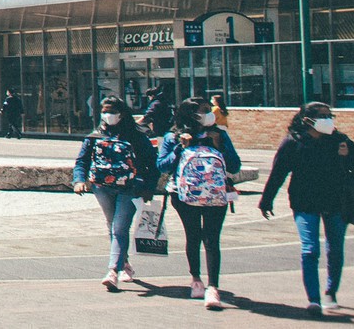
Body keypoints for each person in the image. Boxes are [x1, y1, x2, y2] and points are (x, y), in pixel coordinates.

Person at [259, 101, 354, 315]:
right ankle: (314, 299)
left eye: (330, 115)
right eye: (323, 116)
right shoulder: (293, 142)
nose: (328, 119)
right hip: (304, 201)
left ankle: (331, 291)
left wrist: (347, 157)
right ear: (308, 120)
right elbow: (278, 173)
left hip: (336, 200)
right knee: (310, 249)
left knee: (335, 248)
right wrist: (266, 200)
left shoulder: (340, 140)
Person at [158, 97, 241, 310]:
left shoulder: (219, 135)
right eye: (204, 111)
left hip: (216, 193)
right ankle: (196, 278)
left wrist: (218, 145)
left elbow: (234, 165)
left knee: (212, 238)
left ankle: (213, 286)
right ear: (191, 114)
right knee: (193, 235)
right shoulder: (173, 136)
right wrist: (179, 148)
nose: (210, 114)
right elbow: (162, 166)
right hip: (183, 195)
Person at [71, 96, 157, 291]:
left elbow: (152, 163)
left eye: (112, 111)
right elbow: (82, 161)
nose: (108, 115)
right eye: (105, 111)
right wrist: (78, 180)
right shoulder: (95, 136)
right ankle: (124, 263)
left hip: (130, 188)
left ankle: (112, 271)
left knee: (119, 228)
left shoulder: (136, 136)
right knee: (113, 226)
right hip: (102, 188)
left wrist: (148, 187)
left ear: (122, 113)